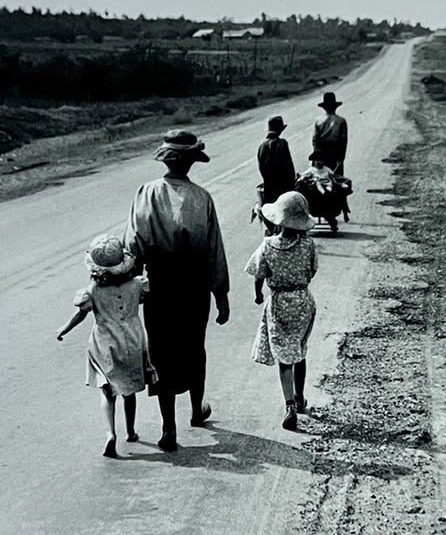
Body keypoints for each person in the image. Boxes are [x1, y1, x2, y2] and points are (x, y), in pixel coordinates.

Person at [126, 130, 230, 451]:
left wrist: (130, 286)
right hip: (193, 284)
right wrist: (221, 295)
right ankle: (197, 411)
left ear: (166, 159)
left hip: (158, 286)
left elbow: (133, 245)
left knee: (162, 352)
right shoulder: (202, 198)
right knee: (193, 347)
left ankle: (168, 427)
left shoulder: (146, 193)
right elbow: (214, 250)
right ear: (190, 162)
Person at [56, 234, 155, 459]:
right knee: (129, 391)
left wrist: (64, 328)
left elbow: (80, 314)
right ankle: (131, 431)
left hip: (104, 344)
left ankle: (111, 433)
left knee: (107, 392)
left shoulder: (92, 291)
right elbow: (146, 299)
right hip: (132, 340)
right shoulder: (136, 285)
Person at [246, 190, 319, 432]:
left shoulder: (268, 245)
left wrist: (258, 294)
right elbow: (312, 270)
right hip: (302, 301)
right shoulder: (308, 245)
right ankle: (300, 398)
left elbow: (258, 272)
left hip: (278, 304)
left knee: (284, 357)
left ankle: (289, 404)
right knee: (299, 349)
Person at [256, 115, 297, 210]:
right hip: (284, 187)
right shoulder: (282, 144)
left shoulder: (262, 147)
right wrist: (292, 184)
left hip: (269, 188)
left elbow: (261, 168)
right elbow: (289, 167)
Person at [311, 90, 348, 172]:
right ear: (335, 106)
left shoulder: (318, 121)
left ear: (324, 107)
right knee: (336, 177)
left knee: (321, 176)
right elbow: (343, 140)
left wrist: (315, 156)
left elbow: (315, 140)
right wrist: (341, 157)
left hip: (321, 152)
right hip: (336, 152)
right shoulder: (341, 121)